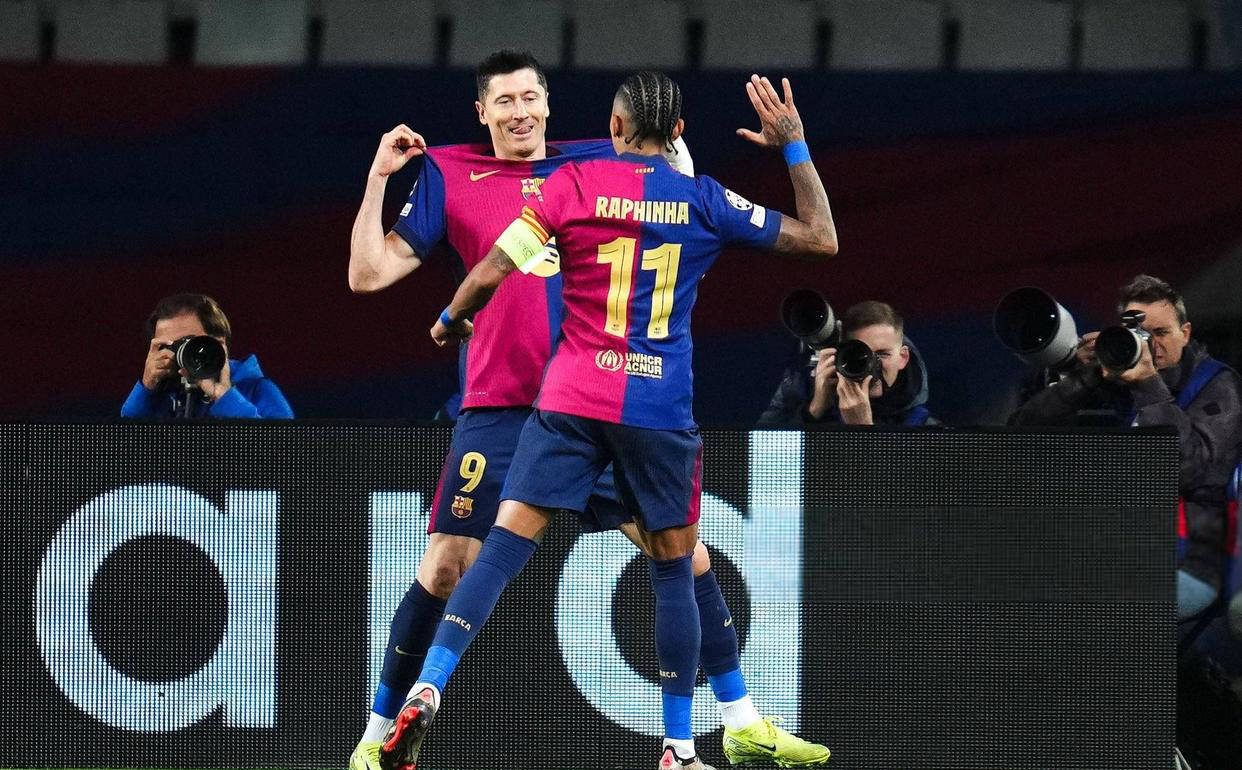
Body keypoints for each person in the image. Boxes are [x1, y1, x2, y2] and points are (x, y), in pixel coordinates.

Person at [348, 54, 825, 770]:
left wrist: (450, 317)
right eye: (504, 100)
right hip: (509, 404)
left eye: (530, 96)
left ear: (554, 105)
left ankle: (743, 720)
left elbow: (667, 174)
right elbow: (367, 274)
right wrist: (378, 178)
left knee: (683, 556)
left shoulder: (589, 166)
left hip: (578, 402)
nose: (519, 111)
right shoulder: (449, 171)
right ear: (482, 112)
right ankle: (376, 736)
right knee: (446, 565)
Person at [1011, 275, 1242, 620]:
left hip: (1189, 559)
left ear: (1186, 333)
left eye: (1161, 333)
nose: (1151, 346)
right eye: (1140, 335)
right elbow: (1020, 435)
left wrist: (1149, 385)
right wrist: (1086, 376)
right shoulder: (1118, 377)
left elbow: (1189, 471)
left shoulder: (1218, 386)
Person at [759, 300, 936, 426]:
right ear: (839, 356)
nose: (871, 364)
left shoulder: (923, 427)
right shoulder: (801, 395)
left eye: (883, 354)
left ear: (903, 357)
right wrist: (813, 411)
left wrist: (862, 429)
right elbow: (763, 463)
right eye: (860, 354)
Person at [120, 293, 293, 419]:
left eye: (188, 343)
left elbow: (283, 452)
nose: (179, 354)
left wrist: (225, 397)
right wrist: (146, 389)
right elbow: (126, 446)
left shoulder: (257, 390)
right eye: (170, 346)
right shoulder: (160, 394)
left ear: (219, 343)